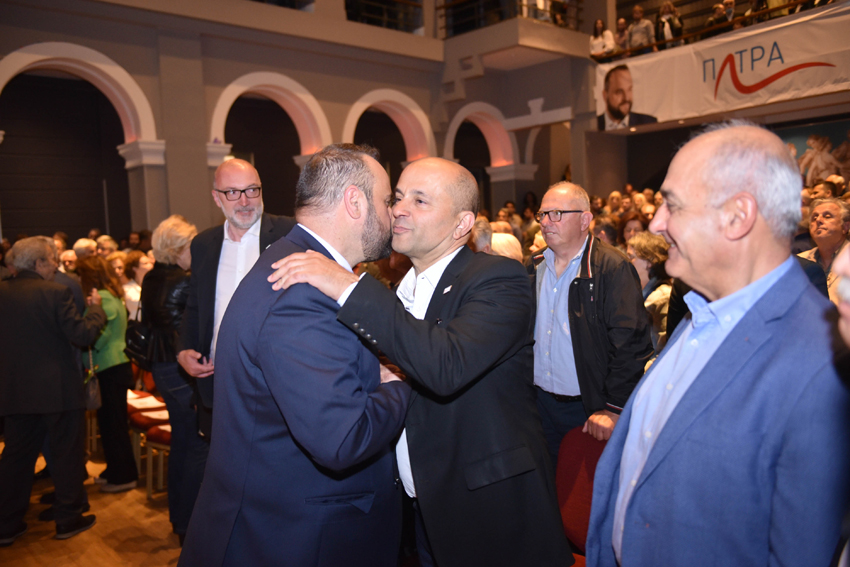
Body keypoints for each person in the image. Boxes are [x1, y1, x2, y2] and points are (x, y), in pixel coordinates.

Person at [270, 156, 572, 567]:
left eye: (420, 200)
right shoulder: (399, 293)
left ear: (462, 224)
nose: (399, 209)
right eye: (397, 197)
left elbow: (445, 366)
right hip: (425, 510)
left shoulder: (498, 278)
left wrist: (348, 285)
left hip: (490, 512)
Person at [585, 122, 850, 566]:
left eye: (672, 205)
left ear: (737, 216)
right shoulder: (701, 309)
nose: (656, 223)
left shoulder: (820, 363)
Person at [179, 144, 410, 566]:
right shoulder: (302, 294)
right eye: (386, 200)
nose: (393, 213)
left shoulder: (287, 258)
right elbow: (343, 439)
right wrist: (399, 385)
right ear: (355, 202)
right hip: (297, 536)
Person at [532, 183, 652, 469]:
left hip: (588, 409)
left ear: (585, 220)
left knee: (586, 492)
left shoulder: (612, 267)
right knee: (547, 488)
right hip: (539, 406)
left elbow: (631, 344)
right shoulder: (534, 265)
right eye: (542, 214)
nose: (546, 222)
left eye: (556, 213)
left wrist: (613, 408)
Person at [177, 158, 295, 438]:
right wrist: (183, 349)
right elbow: (195, 306)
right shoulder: (203, 244)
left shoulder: (290, 234)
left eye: (252, 190)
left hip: (278, 382)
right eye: (232, 192)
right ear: (216, 198)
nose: (244, 201)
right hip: (217, 381)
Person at [0, 237, 105, 545]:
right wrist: (96, 311)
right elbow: (82, 334)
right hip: (58, 390)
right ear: (39, 263)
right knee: (66, 455)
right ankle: (68, 519)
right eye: (51, 261)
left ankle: (6, 523)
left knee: (16, 458)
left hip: (15, 391)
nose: (55, 266)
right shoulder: (55, 293)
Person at [142, 215, 206, 544]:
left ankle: (180, 521)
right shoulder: (183, 280)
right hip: (180, 369)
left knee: (182, 443)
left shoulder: (152, 276)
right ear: (178, 248)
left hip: (161, 367)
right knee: (196, 445)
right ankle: (189, 524)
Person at [75, 255, 138, 493]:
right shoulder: (109, 295)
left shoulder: (104, 298)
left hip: (111, 367)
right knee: (110, 424)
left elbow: (96, 337)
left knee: (114, 426)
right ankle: (114, 470)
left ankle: (124, 476)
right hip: (112, 366)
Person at [627, 231, 672, 353]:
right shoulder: (634, 290)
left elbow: (663, 350)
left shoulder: (662, 297)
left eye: (631, 257)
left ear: (649, 262)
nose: (626, 261)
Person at [798, 198, 849, 304]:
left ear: (845, 227)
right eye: (814, 218)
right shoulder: (799, 261)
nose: (818, 220)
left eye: (827, 216)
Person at [597, 65, 658, 131]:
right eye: (619, 92)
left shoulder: (649, 125)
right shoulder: (592, 127)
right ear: (605, 95)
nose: (626, 98)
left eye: (629, 89)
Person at [123, 250, 152, 321]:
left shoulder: (152, 285)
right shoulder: (128, 289)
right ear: (135, 268)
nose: (151, 265)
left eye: (150, 262)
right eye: (146, 263)